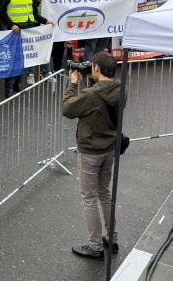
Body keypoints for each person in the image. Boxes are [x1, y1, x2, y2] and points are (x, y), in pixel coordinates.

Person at [62, 52, 121, 260]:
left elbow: (67, 109)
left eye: (92, 66)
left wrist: (72, 85)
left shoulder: (91, 95)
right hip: (109, 149)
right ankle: (112, 239)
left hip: (90, 152)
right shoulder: (120, 88)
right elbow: (100, 98)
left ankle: (95, 246)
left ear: (96, 69)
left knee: (89, 198)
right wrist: (90, 79)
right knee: (104, 193)